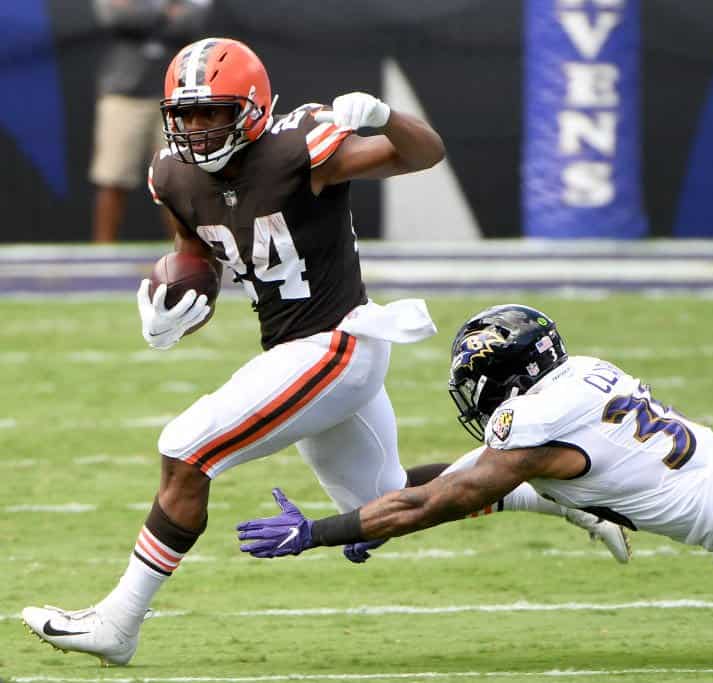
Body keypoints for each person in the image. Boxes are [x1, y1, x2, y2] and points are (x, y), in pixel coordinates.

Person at [21, 38, 628, 668]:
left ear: (253, 108)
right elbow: (195, 249)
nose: (197, 130)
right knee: (382, 501)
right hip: (300, 351)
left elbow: (423, 153)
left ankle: (118, 621)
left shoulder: (301, 148)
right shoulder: (169, 174)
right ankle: (558, 490)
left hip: (338, 342)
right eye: (187, 114)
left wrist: (386, 116)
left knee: (185, 448)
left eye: (212, 112)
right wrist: (170, 308)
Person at [236, 304, 713, 579]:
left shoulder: (532, 431)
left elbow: (440, 499)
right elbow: (464, 477)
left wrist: (323, 530)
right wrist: (376, 505)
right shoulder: (576, 380)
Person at [90, 0, 213, 243]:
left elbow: (192, 23)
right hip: (124, 94)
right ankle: (101, 254)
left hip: (176, 99)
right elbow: (113, 17)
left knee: (179, 181)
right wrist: (164, 8)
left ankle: (186, 253)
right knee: (112, 178)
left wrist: (142, 11)